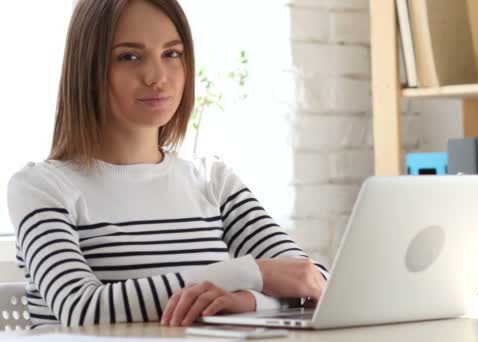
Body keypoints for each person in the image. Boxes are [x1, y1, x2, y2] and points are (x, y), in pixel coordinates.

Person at [6, 0, 327, 328]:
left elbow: (313, 280)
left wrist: (245, 300)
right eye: (129, 56)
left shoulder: (213, 180)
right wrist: (250, 273)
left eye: (171, 53)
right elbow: (80, 308)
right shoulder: (40, 187)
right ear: (88, 68)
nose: (157, 76)